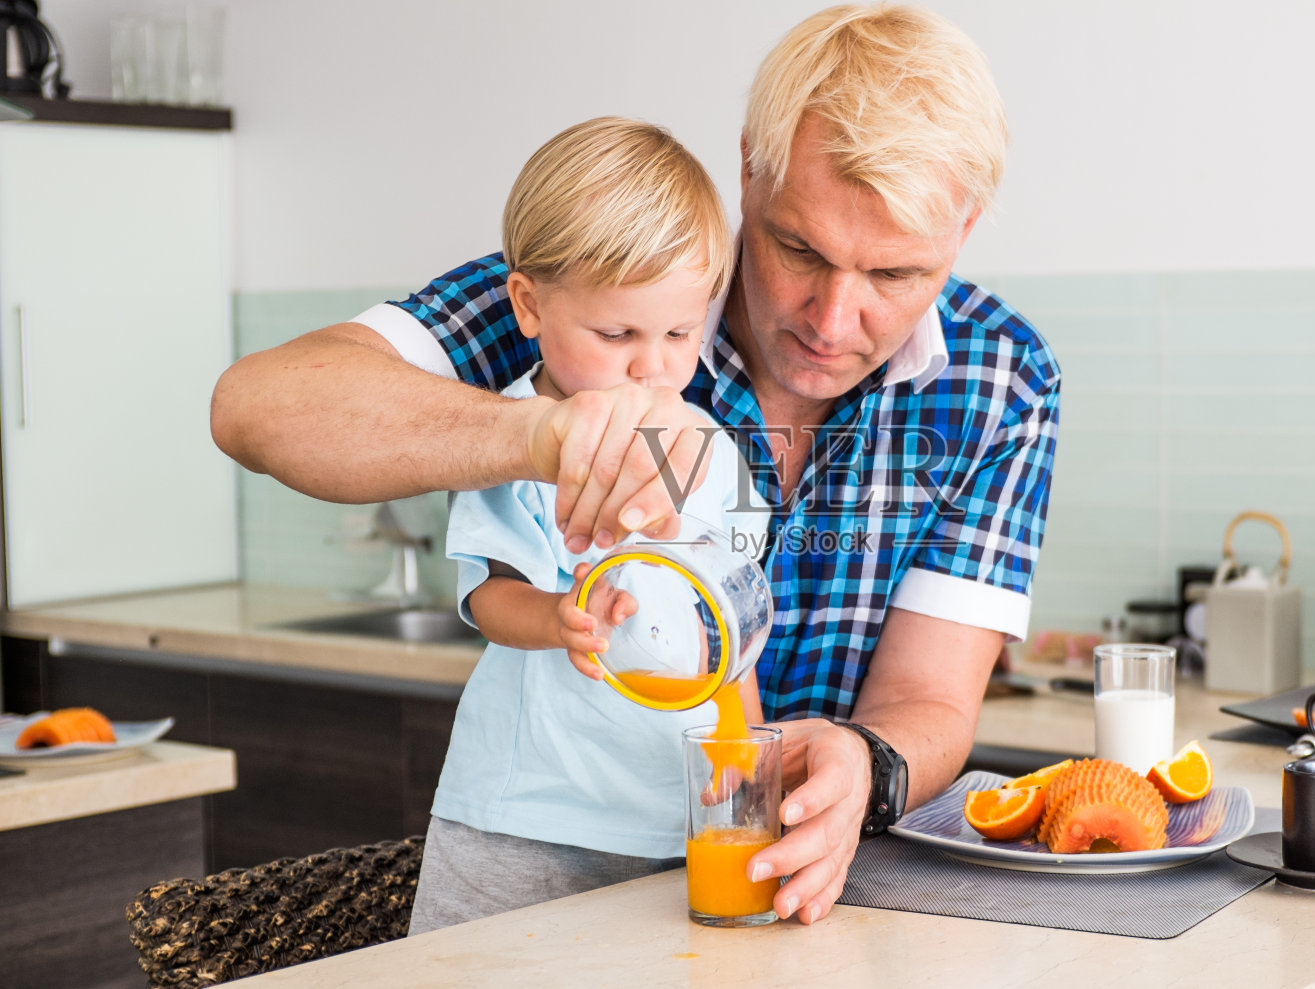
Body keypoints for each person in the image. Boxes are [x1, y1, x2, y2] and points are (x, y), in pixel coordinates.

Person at [211, 3, 1060, 927]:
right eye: (798, 249)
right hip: (548, 836)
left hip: (789, 887)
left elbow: (928, 697)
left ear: (965, 227)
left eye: (893, 276)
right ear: (749, 168)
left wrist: (867, 762)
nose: (829, 317)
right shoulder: (607, 283)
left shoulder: (1000, 379)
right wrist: (553, 434)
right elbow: (258, 410)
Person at [409, 116, 767, 934]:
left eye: (680, 332)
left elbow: (735, 628)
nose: (654, 365)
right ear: (530, 305)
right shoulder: (512, 436)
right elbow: (489, 595)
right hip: (525, 817)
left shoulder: (717, 452)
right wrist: (557, 620)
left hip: (672, 821)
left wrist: (739, 745)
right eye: (618, 334)